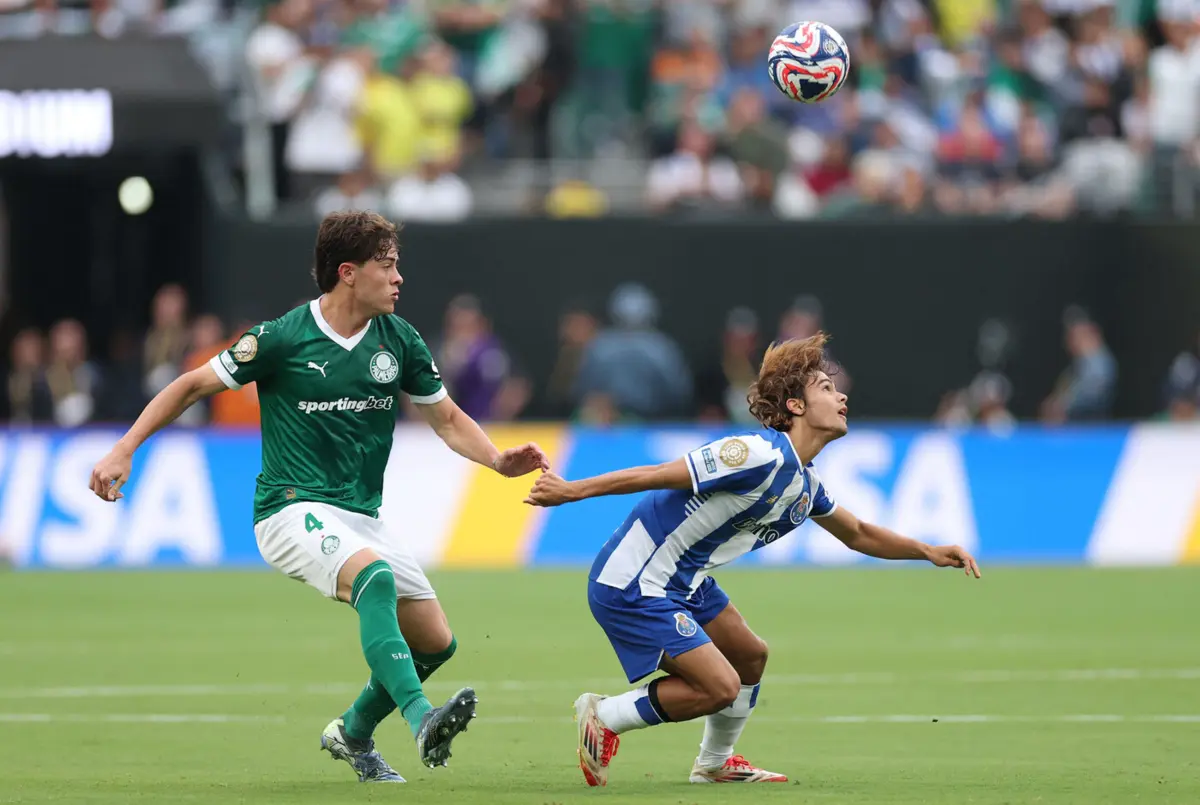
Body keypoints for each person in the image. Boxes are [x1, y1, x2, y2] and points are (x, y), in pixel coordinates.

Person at [89, 211, 549, 783]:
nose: (399, 277)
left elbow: (449, 418)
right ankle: (421, 719)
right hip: (287, 508)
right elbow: (191, 385)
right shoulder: (281, 336)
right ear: (349, 273)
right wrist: (124, 449)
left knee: (436, 642)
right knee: (375, 579)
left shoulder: (399, 340)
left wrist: (497, 460)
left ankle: (352, 733)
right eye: (388, 265)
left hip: (359, 516)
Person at [524, 332, 980, 787]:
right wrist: (571, 491)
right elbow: (659, 473)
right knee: (719, 687)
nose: (841, 395)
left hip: (683, 579)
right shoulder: (754, 454)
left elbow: (858, 534)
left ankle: (714, 763)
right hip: (633, 580)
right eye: (825, 388)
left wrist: (928, 551)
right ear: (796, 407)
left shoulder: (805, 485)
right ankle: (605, 715)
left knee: (750, 656)